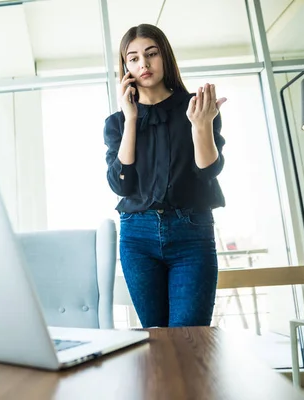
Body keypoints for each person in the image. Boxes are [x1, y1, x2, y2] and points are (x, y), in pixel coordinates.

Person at [103, 24, 227, 328]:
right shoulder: (117, 123)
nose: (143, 64)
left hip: (191, 233)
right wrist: (131, 119)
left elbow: (208, 171)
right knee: (155, 340)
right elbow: (121, 184)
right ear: (125, 68)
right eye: (133, 58)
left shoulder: (197, 108)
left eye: (151, 54)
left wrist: (201, 126)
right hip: (137, 236)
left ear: (165, 57)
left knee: (190, 339)